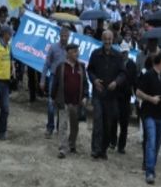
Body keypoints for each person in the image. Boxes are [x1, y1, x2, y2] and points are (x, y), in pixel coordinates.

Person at [87, 30, 126, 160]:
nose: (107, 41)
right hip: (98, 93)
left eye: (110, 39)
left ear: (112, 40)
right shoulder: (95, 54)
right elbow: (90, 70)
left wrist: (116, 82)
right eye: (105, 39)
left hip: (112, 95)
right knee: (98, 121)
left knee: (108, 124)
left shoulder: (118, 55)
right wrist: (94, 80)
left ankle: (103, 150)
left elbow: (123, 73)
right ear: (102, 40)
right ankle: (95, 149)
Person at [136, 51, 161, 184]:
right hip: (149, 113)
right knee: (151, 141)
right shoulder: (148, 74)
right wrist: (151, 99)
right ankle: (150, 172)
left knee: (157, 143)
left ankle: (150, 165)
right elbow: (138, 92)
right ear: (160, 60)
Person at [51, 44, 87, 158]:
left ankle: (72, 144)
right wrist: (53, 97)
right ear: (68, 53)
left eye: (77, 51)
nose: (77, 53)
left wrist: (85, 96)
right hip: (64, 101)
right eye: (75, 51)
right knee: (62, 125)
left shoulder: (81, 67)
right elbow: (55, 83)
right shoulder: (61, 67)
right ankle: (62, 148)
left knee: (74, 126)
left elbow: (85, 83)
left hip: (76, 102)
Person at [40, 25, 70, 138]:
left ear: (69, 36)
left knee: (62, 105)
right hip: (53, 77)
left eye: (66, 36)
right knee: (51, 104)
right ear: (59, 36)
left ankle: (59, 128)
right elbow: (46, 64)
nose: (64, 38)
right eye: (62, 36)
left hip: (66, 80)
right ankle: (50, 127)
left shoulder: (71, 50)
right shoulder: (53, 47)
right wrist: (42, 80)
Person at [111, 46, 138, 154]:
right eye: (122, 53)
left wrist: (136, 95)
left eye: (125, 52)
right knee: (113, 119)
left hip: (126, 96)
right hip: (116, 95)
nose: (124, 54)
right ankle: (113, 141)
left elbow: (134, 80)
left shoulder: (132, 65)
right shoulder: (116, 63)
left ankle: (121, 146)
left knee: (124, 122)